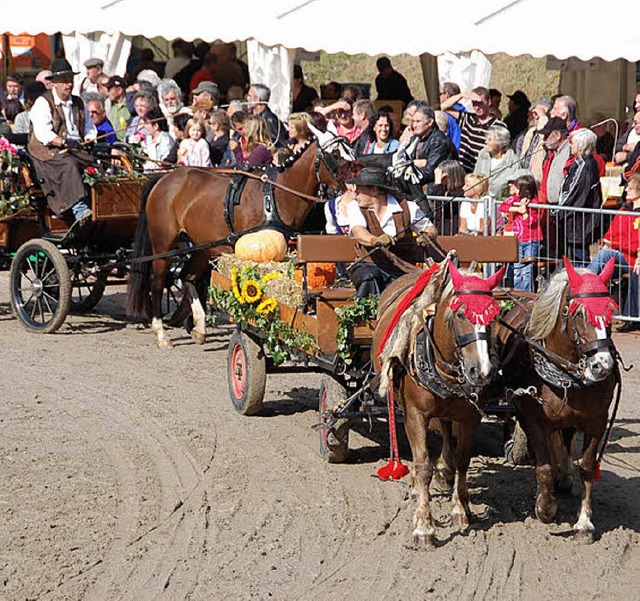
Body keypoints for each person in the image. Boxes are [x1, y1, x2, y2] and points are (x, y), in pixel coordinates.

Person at [345, 167, 437, 298]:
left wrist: (428, 236)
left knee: (413, 286)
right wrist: (375, 240)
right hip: (369, 265)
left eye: (359, 190)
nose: (355, 194)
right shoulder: (354, 207)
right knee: (370, 277)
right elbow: (359, 232)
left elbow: (430, 228)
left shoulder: (409, 208)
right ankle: (368, 316)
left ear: (374, 190)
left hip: (402, 268)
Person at [28, 58, 97, 230]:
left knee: (99, 165)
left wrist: (88, 139)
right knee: (68, 165)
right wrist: (65, 141)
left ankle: (101, 207)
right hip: (48, 153)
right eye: (65, 81)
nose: (69, 84)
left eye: (70, 80)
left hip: (75, 149)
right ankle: (79, 209)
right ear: (54, 84)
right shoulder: (43, 103)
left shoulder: (79, 103)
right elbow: (44, 135)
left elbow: (90, 128)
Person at [588, 174, 640, 331]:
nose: (626, 191)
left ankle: (584, 285)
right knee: (604, 254)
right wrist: (606, 243)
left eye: (630, 188)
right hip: (620, 255)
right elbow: (610, 233)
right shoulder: (624, 210)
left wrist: (614, 245)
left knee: (604, 255)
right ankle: (591, 297)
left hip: (631, 257)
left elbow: (635, 244)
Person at [556, 128, 602, 265]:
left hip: (581, 223)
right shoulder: (578, 164)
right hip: (574, 222)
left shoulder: (586, 166)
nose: (570, 147)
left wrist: (558, 209)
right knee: (574, 258)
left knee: (580, 260)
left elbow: (573, 191)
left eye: (573, 144)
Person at [441, 86, 507, 173]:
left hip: (481, 173)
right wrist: (462, 95)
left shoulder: (498, 126)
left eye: (480, 103)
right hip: (462, 171)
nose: (477, 107)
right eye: (474, 103)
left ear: (489, 102)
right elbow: (443, 107)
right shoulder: (468, 119)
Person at [499, 173, 544, 291]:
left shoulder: (535, 203)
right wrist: (518, 208)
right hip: (518, 240)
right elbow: (503, 206)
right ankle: (517, 294)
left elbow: (531, 222)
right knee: (517, 269)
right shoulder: (515, 199)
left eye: (518, 187)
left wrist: (525, 212)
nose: (515, 189)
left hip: (531, 240)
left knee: (527, 270)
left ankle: (526, 294)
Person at [406, 105, 457, 185]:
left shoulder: (439, 141)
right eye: (413, 121)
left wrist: (410, 166)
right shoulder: (415, 139)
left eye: (418, 121)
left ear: (430, 122)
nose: (414, 125)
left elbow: (430, 172)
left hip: (434, 188)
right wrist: (415, 163)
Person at [474, 125, 520, 199]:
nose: (486, 142)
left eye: (489, 140)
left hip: (502, 204)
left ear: (500, 143)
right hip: (481, 202)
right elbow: (475, 178)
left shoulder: (514, 161)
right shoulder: (483, 155)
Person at [425, 159, 466, 236]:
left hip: (452, 230)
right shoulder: (442, 189)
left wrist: (438, 183)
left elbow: (441, 204)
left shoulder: (460, 192)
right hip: (439, 229)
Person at [325, 161, 364, 235]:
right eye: (359, 183)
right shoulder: (331, 206)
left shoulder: (365, 204)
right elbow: (332, 235)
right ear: (348, 184)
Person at [538, 116, 571, 205]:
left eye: (546, 136)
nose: (544, 140)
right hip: (553, 207)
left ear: (557, 135)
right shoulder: (552, 153)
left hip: (565, 207)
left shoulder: (570, 152)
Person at [520, 98, 552, 182]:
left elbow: (546, 133)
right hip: (525, 180)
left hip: (538, 182)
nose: (535, 116)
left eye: (538, 113)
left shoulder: (550, 133)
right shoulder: (530, 133)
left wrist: (543, 117)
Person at [247, 83, 287, 147]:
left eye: (250, 96)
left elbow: (277, 143)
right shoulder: (258, 117)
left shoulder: (269, 120)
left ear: (257, 99)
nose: (247, 99)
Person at [139, 107, 174, 171]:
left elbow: (166, 161)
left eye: (147, 124)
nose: (145, 126)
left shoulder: (165, 139)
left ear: (156, 126)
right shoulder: (148, 139)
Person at [439, 82, 465, 151]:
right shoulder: (464, 111)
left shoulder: (444, 115)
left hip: (451, 152)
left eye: (440, 94)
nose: (439, 96)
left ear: (447, 95)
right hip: (463, 152)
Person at [106, 75, 130, 142]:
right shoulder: (109, 106)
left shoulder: (129, 106)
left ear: (119, 90)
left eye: (110, 90)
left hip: (125, 146)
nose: (108, 93)